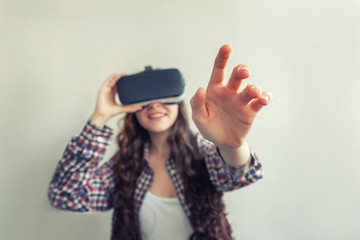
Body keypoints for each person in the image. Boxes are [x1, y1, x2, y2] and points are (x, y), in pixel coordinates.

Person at [48, 44, 273, 240]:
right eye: (145, 100)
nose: (155, 105)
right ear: (132, 110)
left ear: (178, 103)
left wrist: (232, 145)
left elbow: (241, 176)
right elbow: (65, 195)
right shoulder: (124, 167)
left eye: (163, 96)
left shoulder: (202, 153)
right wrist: (99, 117)